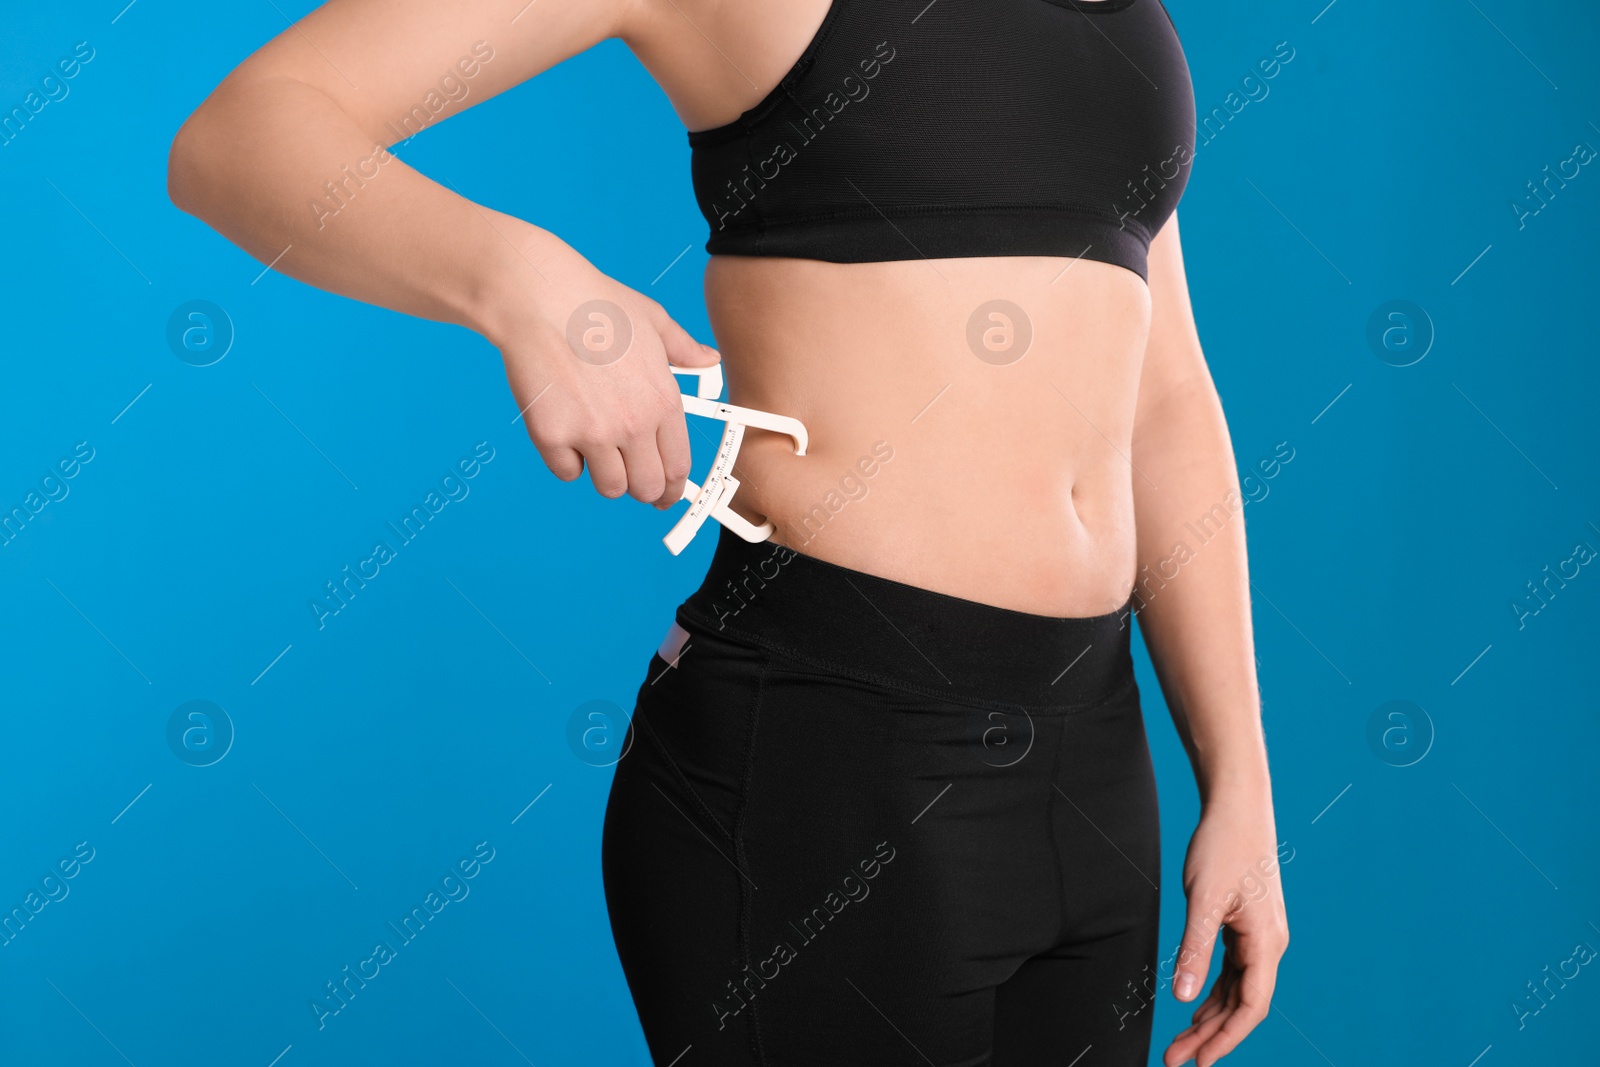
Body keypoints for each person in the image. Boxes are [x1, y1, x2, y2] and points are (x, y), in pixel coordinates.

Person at [168, 0, 1288, 1063]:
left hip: (1096, 763)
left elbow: (1165, 397)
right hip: (836, 757)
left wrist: (1238, 774)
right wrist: (524, 281)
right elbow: (241, 135)